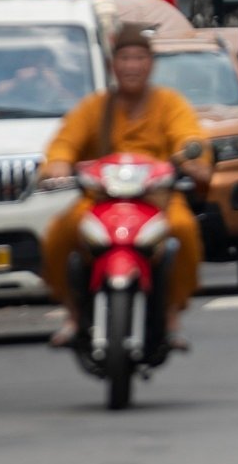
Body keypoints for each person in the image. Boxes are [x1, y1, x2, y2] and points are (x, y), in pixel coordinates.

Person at [39, 25, 210, 349]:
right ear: (112, 65)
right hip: (101, 200)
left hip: (156, 200)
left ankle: (171, 313)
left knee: (184, 228)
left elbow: (190, 138)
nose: (132, 66)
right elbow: (65, 143)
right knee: (60, 231)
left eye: (139, 58)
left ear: (151, 64)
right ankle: (74, 313)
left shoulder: (169, 104)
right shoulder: (95, 107)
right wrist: (57, 165)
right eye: (125, 58)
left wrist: (191, 159)